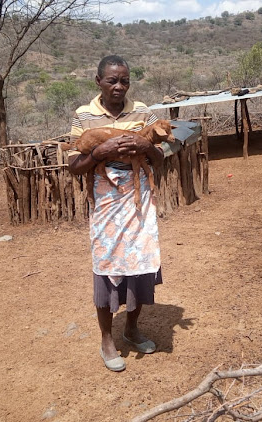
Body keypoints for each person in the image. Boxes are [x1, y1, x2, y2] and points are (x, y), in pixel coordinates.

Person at [68, 55, 165, 372]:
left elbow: (160, 158)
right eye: (112, 80)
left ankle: (132, 328)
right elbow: (73, 167)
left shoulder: (143, 112)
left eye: (124, 80)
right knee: (108, 264)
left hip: (139, 197)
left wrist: (144, 145)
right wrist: (99, 152)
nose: (119, 86)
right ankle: (107, 339)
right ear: (98, 81)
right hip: (107, 201)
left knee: (140, 263)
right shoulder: (84, 116)